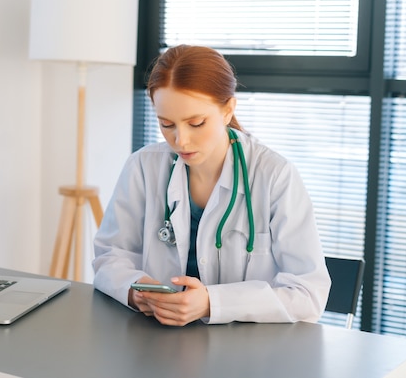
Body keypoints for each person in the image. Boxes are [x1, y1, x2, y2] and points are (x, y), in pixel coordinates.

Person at [93, 44, 331, 326]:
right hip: (156, 341)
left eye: (196, 123)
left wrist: (210, 303)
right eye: (167, 124)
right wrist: (138, 290)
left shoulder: (274, 175)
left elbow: (307, 295)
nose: (180, 140)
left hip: (248, 352)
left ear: (228, 109)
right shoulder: (143, 167)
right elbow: (110, 256)